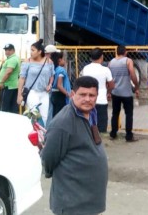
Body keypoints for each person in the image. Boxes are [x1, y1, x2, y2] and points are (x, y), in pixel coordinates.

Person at [42, 75, 108, 215]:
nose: (87, 99)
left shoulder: (91, 113)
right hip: (72, 201)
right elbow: (48, 157)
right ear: (72, 94)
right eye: (82, 94)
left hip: (89, 198)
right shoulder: (63, 122)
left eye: (92, 95)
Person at [18, 39, 53, 126]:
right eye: (31, 50)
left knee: (44, 117)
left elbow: (52, 75)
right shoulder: (27, 62)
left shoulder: (49, 61)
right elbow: (22, 78)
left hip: (44, 93)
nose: (31, 52)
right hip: (32, 92)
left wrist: (50, 84)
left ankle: (41, 136)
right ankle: (33, 134)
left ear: (39, 51)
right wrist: (19, 95)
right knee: (34, 114)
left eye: (33, 50)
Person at [109, 45, 140, 142]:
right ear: (125, 52)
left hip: (115, 92)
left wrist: (109, 91)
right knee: (129, 114)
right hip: (126, 93)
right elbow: (132, 73)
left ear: (117, 52)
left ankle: (113, 133)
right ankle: (129, 135)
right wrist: (136, 86)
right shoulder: (128, 61)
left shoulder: (111, 62)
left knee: (115, 113)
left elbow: (109, 78)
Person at [81, 47, 114, 133]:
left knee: (88, 126)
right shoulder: (105, 70)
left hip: (88, 101)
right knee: (101, 128)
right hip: (101, 101)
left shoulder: (86, 68)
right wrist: (108, 92)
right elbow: (111, 85)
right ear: (101, 57)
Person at [0, 44, 21, 114]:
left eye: (9, 50)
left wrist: (2, 82)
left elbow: (9, 72)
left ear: (13, 50)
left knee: (4, 108)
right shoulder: (14, 58)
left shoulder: (12, 59)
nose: (7, 52)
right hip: (13, 86)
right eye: (6, 50)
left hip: (8, 86)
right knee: (12, 108)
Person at [51, 52, 71, 118]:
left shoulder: (54, 69)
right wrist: (68, 94)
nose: (64, 61)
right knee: (60, 115)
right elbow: (59, 85)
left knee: (54, 113)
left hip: (53, 94)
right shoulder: (61, 70)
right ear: (59, 60)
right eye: (63, 59)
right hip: (60, 95)